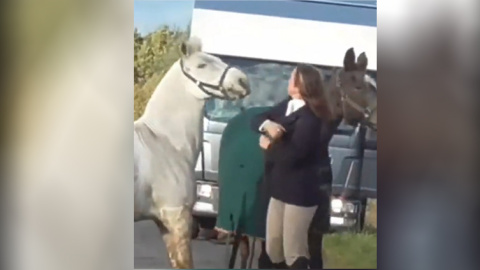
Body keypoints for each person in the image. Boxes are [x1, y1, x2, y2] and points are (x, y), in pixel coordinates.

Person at [250, 64, 336, 269]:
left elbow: (295, 155)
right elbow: (257, 118)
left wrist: (268, 146)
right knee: (273, 247)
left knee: (293, 250)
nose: (289, 81)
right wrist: (267, 126)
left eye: (292, 78)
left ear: (302, 85)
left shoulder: (312, 118)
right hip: (279, 188)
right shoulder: (288, 104)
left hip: (301, 193)